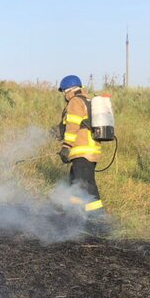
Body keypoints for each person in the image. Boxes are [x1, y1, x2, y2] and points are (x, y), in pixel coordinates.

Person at [56, 75, 106, 226]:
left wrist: (66, 147)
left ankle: (98, 218)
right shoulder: (87, 100)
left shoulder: (75, 102)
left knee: (85, 184)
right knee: (76, 182)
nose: (64, 95)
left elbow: (73, 126)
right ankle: (75, 213)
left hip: (82, 150)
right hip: (89, 150)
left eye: (64, 92)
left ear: (69, 90)